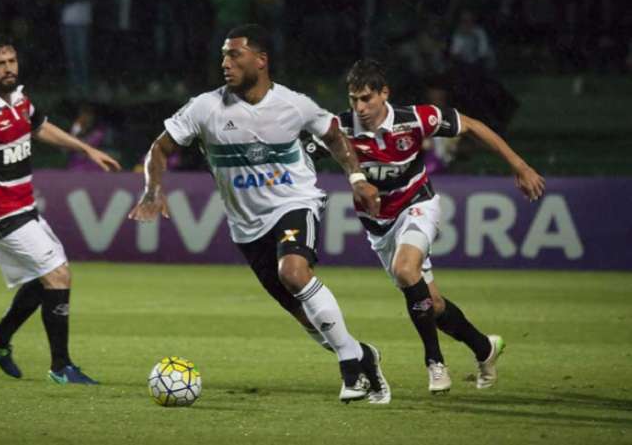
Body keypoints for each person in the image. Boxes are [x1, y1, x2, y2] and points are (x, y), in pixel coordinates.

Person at [128, 24, 391, 404]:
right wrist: (152, 189)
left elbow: (334, 134)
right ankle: (361, 353)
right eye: (223, 55)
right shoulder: (205, 107)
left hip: (294, 204)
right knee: (307, 318)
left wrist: (356, 177)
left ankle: (350, 367)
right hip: (247, 228)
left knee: (294, 273)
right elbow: (160, 147)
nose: (225, 62)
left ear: (261, 60)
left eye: (234, 54)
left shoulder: (293, 104)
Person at [313, 58, 545, 394]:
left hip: (418, 204)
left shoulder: (415, 119)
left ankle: (434, 362)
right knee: (431, 304)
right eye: (354, 99)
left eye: (367, 98)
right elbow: (297, 154)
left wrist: (519, 166)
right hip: (379, 226)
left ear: (384, 94)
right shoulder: (341, 130)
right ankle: (485, 348)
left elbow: (473, 126)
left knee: (406, 270)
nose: (360, 107)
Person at [0, 33, 121, 385]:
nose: (8, 69)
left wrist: (86, 149)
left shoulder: (19, 99)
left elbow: (40, 127)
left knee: (44, 280)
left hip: (25, 208)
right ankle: (61, 367)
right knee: (59, 275)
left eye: (11, 61)